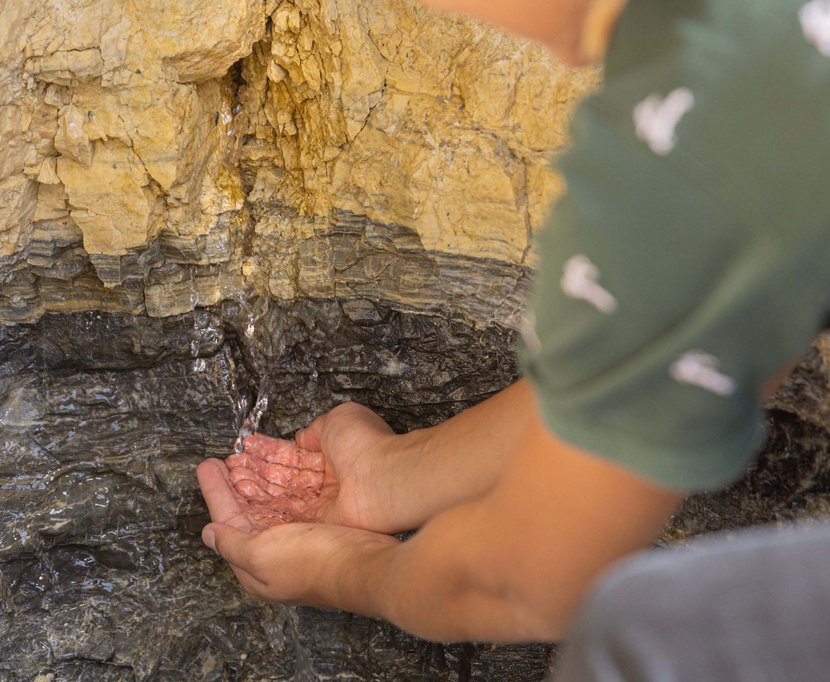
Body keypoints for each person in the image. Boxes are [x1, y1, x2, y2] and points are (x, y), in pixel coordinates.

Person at [198, 0, 830, 676]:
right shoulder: (761, 39)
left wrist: (339, 568)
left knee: (644, 636)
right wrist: (392, 477)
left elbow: (525, 585)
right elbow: (675, 354)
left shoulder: (704, 111)